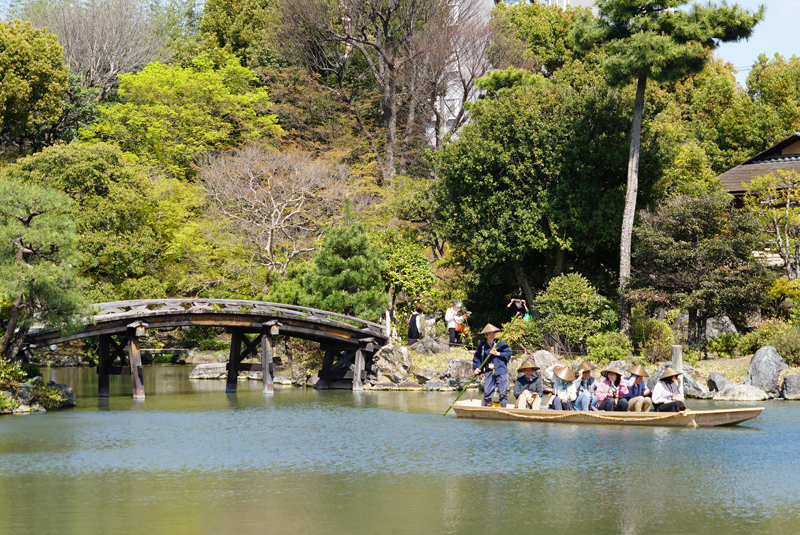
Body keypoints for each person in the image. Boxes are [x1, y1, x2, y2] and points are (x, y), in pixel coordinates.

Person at [472, 324, 512, 408]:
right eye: (489, 334)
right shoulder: (482, 346)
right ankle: (487, 406)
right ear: (486, 335)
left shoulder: (500, 343)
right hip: (489, 370)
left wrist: (498, 353)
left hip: (500, 369)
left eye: (493, 333)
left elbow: (508, 353)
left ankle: (503, 407)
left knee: (502, 391)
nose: (492, 335)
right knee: (487, 391)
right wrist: (477, 368)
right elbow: (477, 358)